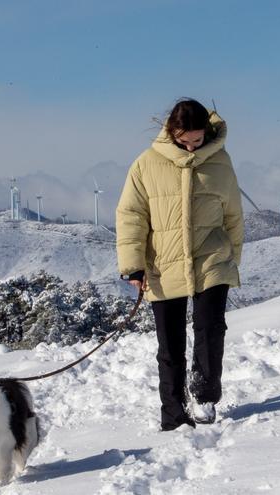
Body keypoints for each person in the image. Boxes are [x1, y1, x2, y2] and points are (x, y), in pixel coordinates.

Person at [116, 98, 244, 431]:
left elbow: (233, 214)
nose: (190, 147)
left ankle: (204, 396)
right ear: (171, 131)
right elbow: (131, 215)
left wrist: (233, 259)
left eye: (197, 140)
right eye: (183, 141)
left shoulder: (221, 162)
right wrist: (133, 266)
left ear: (207, 133)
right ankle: (174, 414)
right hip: (164, 262)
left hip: (212, 259)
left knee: (210, 329)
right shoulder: (146, 164)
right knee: (170, 345)